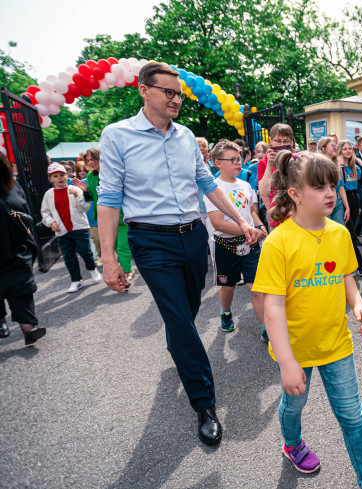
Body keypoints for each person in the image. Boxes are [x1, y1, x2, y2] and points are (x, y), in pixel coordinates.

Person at [96, 61, 259, 446]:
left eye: (180, 94)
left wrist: (242, 219)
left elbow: (208, 184)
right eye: (168, 92)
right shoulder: (117, 135)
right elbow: (108, 199)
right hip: (151, 242)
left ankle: (180, 348)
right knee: (181, 321)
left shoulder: (186, 136)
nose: (176, 100)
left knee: (185, 313)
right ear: (144, 91)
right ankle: (204, 404)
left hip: (191, 240)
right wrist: (109, 258)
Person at [252, 151, 362, 489]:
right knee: (294, 405)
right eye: (319, 186)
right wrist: (286, 363)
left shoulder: (339, 233)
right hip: (294, 350)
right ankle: (292, 444)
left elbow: (344, 277)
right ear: (294, 194)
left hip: (337, 344)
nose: (329, 193)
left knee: (352, 417)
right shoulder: (278, 242)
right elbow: (273, 309)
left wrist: (357, 305)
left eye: (332, 185)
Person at [205, 140, 268, 336]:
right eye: (232, 159)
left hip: (250, 243)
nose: (238, 163)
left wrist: (260, 227)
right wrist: (250, 230)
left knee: (256, 288)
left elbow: (252, 213)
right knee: (227, 286)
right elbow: (218, 224)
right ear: (218, 163)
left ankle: (266, 327)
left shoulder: (246, 185)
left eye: (239, 158)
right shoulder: (213, 188)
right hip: (225, 245)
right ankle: (225, 312)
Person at [0, 153, 45, 345]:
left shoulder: (12, 187)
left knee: (21, 286)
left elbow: (25, 212)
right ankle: (1, 323)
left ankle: (28, 328)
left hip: (16, 247)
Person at [74, 148, 134, 283]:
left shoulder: (114, 173)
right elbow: (92, 197)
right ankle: (126, 270)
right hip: (103, 218)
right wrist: (85, 190)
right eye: (88, 160)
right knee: (113, 247)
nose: (90, 162)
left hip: (121, 215)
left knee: (122, 246)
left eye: (92, 159)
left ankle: (126, 271)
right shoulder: (90, 176)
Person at [41, 162, 102, 293]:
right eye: (55, 176)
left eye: (62, 175)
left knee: (85, 252)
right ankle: (76, 280)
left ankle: (92, 269)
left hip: (79, 227)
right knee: (69, 257)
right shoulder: (49, 194)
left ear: (67, 175)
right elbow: (45, 212)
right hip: (62, 231)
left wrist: (77, 196)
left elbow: (85, 207)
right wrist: (51, 222)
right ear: (51, 179)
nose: (60, 178)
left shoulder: (75, 189)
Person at [337, 140, 362, 277]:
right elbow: (340, 186)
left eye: (350, 148)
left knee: (350, 232)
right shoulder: (339, 167)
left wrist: (360, 163)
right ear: (339, 152)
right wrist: (340, 165)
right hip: (344, 199)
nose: (348, 151)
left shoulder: (354, 167)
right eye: (345, 149)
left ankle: (348, 263)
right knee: (350, 232)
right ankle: (359, 264)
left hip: (354, 198)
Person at [258, 124, 296, 230]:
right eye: (278, 141)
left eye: (286, 141)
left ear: (292, 142)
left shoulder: (299, 158)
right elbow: (264, 192)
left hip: (299, 214)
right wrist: (270, 165)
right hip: (278, 217)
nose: (282, 144)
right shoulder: (264, 163)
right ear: (271, 141)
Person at [319, 137, 349, 226]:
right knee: (327, 228)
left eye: (336, 146)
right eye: (332, 146)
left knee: (341, 229)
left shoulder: (337, 165)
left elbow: (341, 188)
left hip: (337, 201)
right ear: (323, 148)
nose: (336, 148)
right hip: (324, 200)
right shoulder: (318, 165)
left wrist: (347, 207)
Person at [74, 160, 100, 262]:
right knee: (95, 238)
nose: (82, 172)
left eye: (84, 170)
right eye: (79, 171)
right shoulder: (74, 184)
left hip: (99, 211)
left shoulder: (93, 179)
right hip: (88, 215)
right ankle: (99, 256)